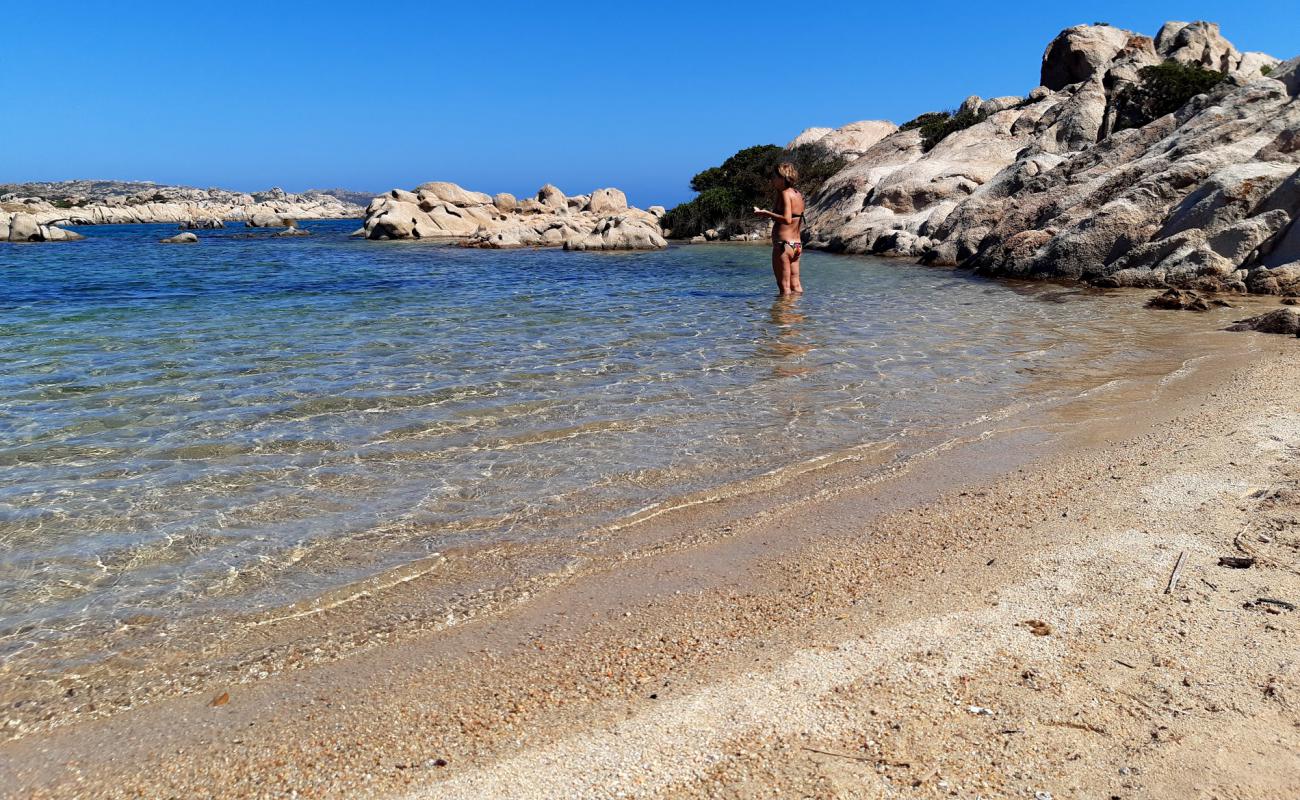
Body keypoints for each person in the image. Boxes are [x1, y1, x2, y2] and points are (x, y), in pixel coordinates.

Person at [752, 163, 806, 295]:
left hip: (783, 246)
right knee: (796, 285)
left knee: (784, 287)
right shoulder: (797, 194)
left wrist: (766, 213)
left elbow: (787, 219)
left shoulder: (785, 194)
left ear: (783, 178)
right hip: (796, 245)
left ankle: (783, 315)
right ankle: (796, 314)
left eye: (775, 176)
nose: (772, 179)